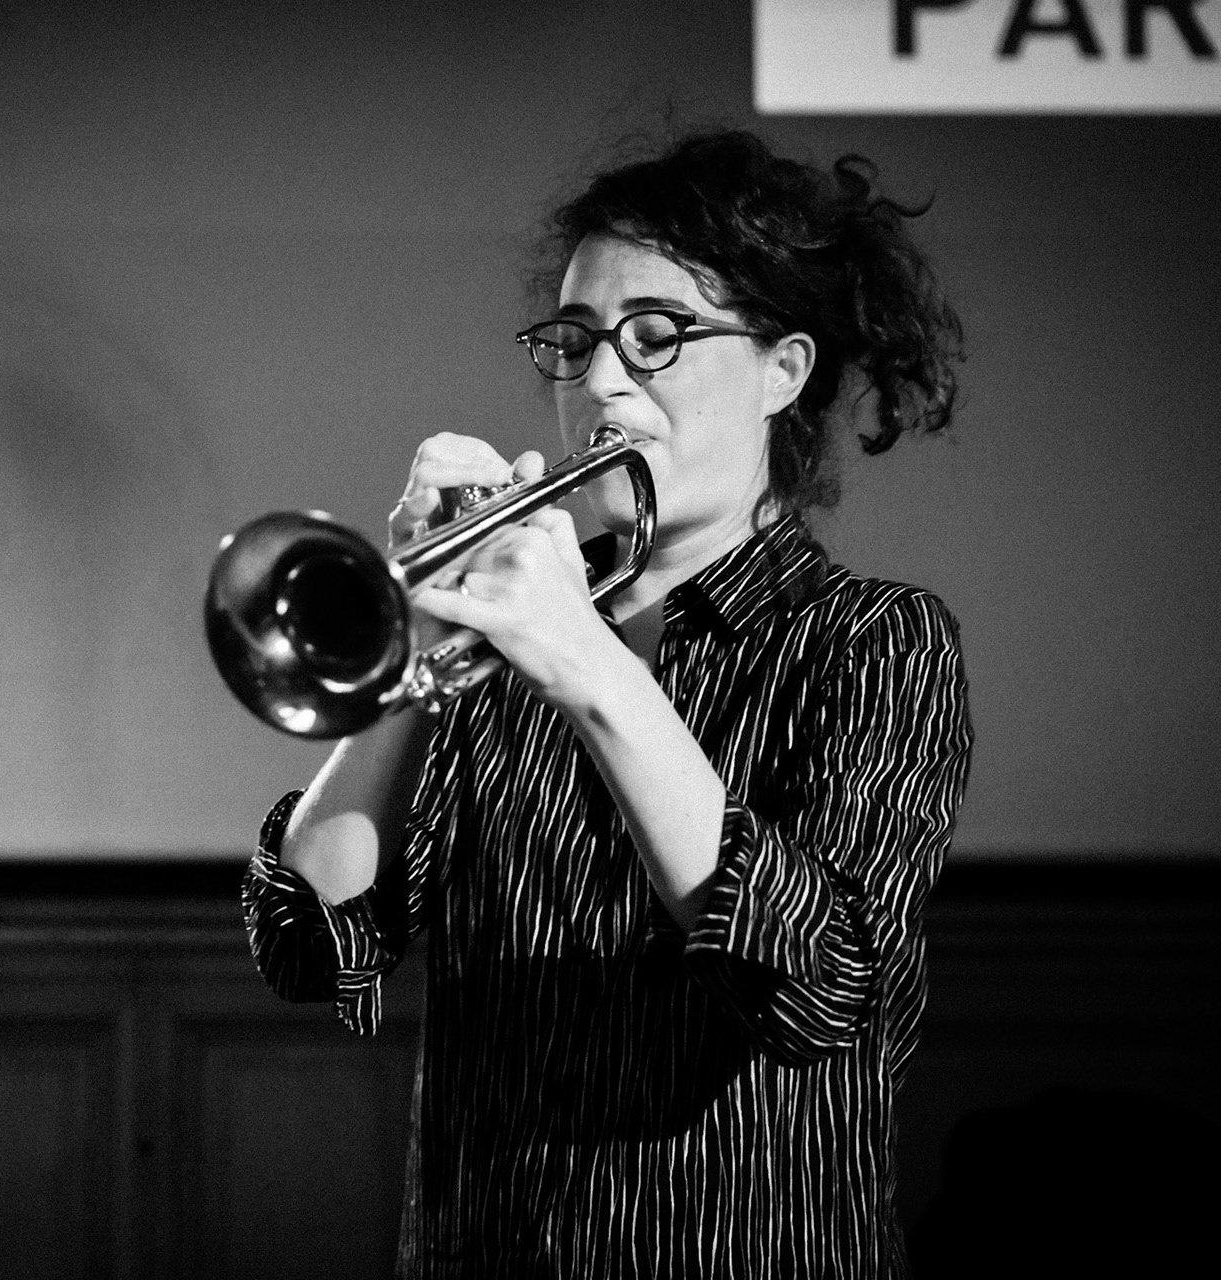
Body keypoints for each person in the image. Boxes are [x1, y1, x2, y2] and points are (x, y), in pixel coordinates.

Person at [241, 128, 973, 1278]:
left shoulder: (872, 639)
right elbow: (313, 944)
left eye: (658, 336)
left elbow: (817, 983)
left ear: (783, 369)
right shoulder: (510, 630)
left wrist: (585, 659)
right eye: (574, 343)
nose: (603, 381)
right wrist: (416, 652)